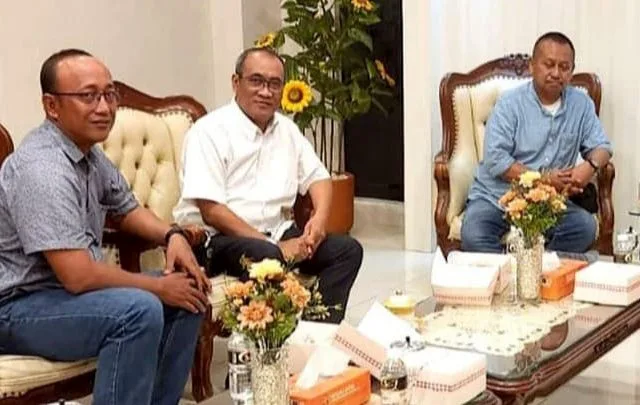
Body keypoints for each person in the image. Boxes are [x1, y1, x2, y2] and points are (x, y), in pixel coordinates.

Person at [0, 49, 211, 405]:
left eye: (109, 94)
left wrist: (173, 235)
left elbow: (127, 209)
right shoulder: (42, 169)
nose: (104, 107)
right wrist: (158, 287)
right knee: (137, 311)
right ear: (52, 106)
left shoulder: (88, 153)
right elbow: (78, 276)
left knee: (190, 294)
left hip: (65, 297)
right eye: (88, 96)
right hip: (19, 307)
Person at [173, 47, 363, 323]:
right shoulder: (208, 131)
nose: (266, 91)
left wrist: (319, 221)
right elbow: (212, 211)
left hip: (278, 231)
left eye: (274, 84)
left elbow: (318, 177)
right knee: (267, 255)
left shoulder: (287, 130)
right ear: (236, 82)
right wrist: (274, 246)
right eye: (256, 81)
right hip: (219, 241)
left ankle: (314, 332)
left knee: (347, 250)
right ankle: (274, 333)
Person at [461, 32, 612, 254]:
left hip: (548, 203)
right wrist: (543, 179)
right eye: (549, 65)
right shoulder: (509, 104)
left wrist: (590, 167)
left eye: (564, 67)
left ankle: (541, 267)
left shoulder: (581, 105)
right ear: (532, 66)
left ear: (571, 71)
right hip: (497, 198)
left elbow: (603, 147)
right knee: (474, 235)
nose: (556, 73)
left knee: (584, 228)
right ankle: (513, 271)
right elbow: (496, 159)